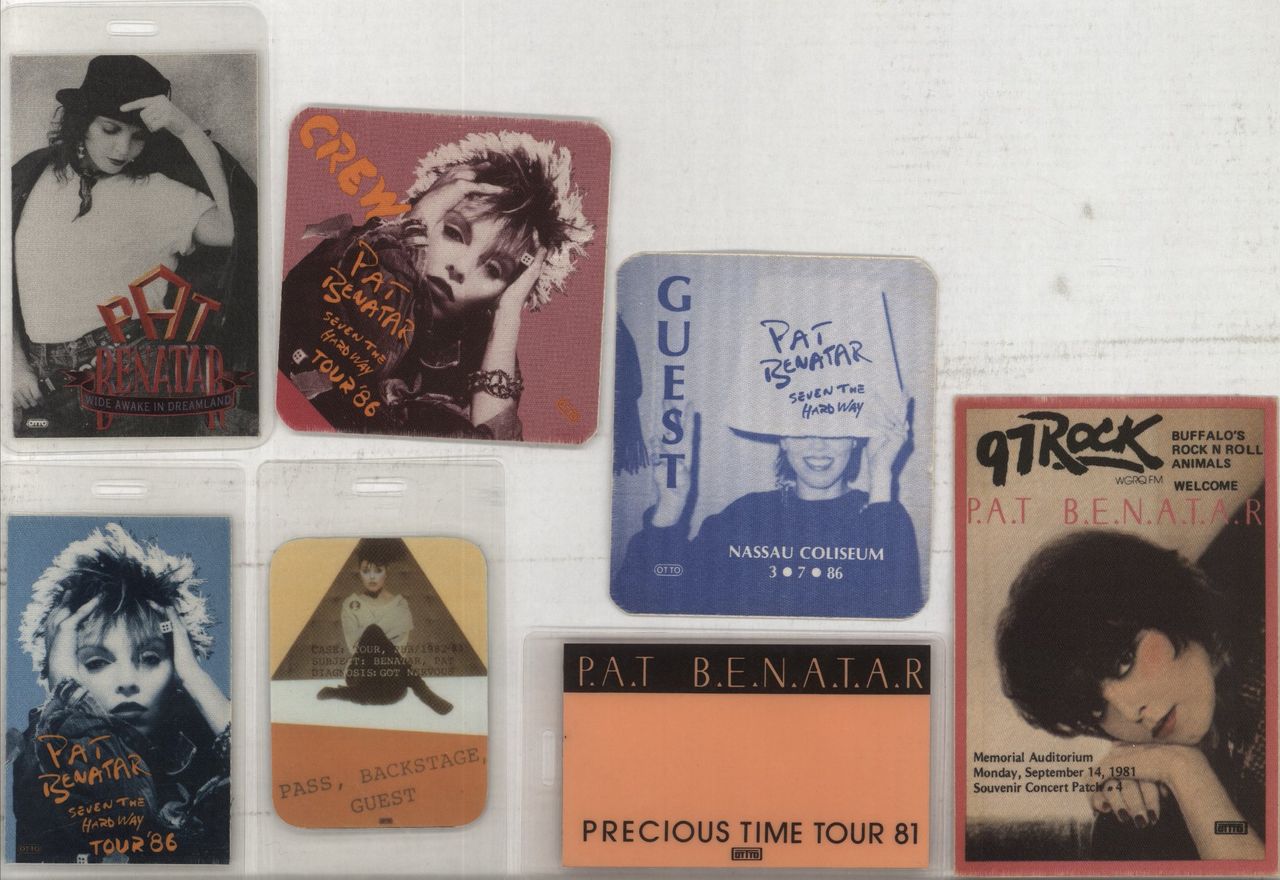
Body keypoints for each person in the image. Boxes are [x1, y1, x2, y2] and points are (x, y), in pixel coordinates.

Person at [279, 130, 594, 439]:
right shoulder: (349, 252)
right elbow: (362, 348)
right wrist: (414, 226)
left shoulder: (482, 356)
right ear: (430, 208)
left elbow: (493, 450)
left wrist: (508, 314)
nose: (460, 269)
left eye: (494, 270)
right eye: (454, 233)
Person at [11, 54, 256, 436]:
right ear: (82, 123)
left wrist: (187, 131)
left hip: (132, 372)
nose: (123, 148)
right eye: (110, 129)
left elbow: (233, 232)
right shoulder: (31, 176)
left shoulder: (157, 192)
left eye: (138, 136)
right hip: (42, 382)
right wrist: (12, 363)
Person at [995, 530, 1266, 861]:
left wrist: (1183, 771)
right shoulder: (1152, 788)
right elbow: (1229, 831)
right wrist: (1181, 770)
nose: (1129, 711)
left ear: (1165, 605)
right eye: (1097, 709)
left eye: (1123, 661)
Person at [8, 523, 230, 864]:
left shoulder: (200, 740)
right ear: (60, 670)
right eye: (97, 663)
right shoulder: (39, 759)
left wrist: (195, 677)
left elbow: (268, 775)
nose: (127, 681)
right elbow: (120, 800)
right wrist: (66, 694)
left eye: (151, 658)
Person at [613, 401, 922, 617]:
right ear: (783, 439)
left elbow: (896, 616)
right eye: (802, 429)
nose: (818, 446)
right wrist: (670, 507)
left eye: (833, 429)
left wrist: (881, 477)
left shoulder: (882, 518)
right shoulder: (745, 517)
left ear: (855, 440)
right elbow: (642, 599)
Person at [316, 539, 452, 714]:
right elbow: (355, 646)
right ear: (359, 573)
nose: (372, 577)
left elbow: (399, 647)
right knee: (373, 631)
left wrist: (373, 639)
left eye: (378, 571)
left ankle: (341, 693)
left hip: (391, 681)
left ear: (386, 573)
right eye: (366, 571)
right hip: (361, 673)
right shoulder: (351, 604)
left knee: (374, 636)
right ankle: (423, 692)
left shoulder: (400, 604)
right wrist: (379, 636)